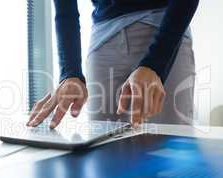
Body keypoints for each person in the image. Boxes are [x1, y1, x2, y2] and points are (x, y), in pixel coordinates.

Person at [27, 0, 199, 129]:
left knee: (170, 151)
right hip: (103, 44)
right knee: (104, 156)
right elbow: (65, 10)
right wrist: (70, 73)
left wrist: (155, 65)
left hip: (163, 31)